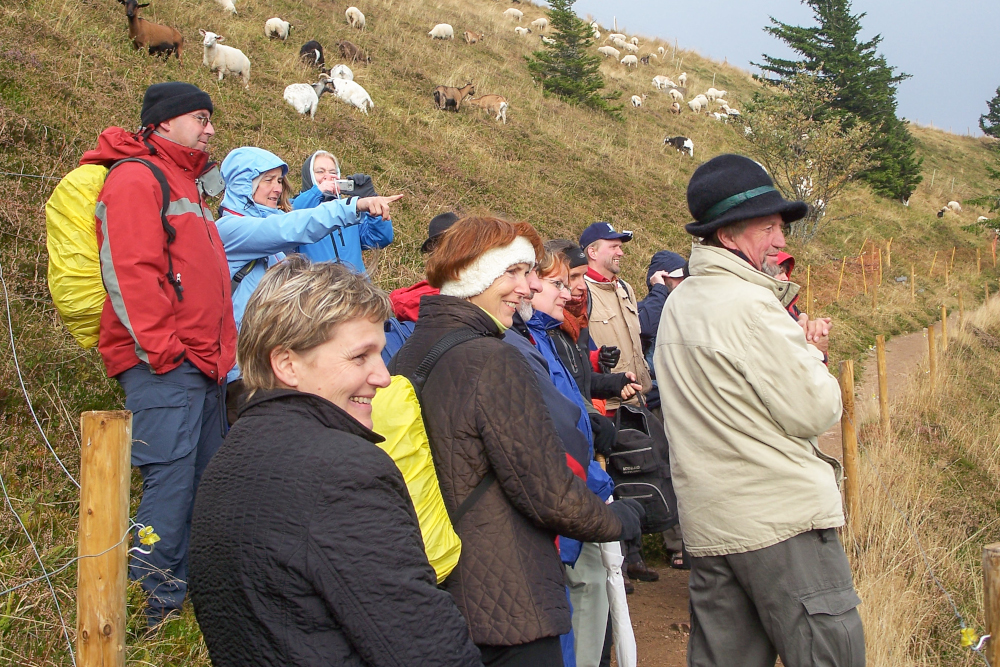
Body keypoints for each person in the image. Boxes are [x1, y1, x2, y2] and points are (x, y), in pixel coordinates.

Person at [188, 257, 482, 667]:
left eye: (380, 354)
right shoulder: (344, 472)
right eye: (360, 357)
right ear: (287, 363)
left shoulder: (227, 461)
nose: (382, 376)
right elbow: (425, 647)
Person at [390, 216, 644, 667]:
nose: (527, 288)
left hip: (443, 590)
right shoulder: (491, 358)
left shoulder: (414, 350)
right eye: (513, 273)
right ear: (473, 274)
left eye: (528, 274)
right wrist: (618, 520)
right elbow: (546, 491)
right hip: (509, 593)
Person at [654, 154, 862, 667]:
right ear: (727, 236)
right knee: (828, 654)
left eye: (782, 227)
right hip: (780, 523)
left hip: (710, 526)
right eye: (768, 226)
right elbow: (816, 410)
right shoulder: (749, 305)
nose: (781, 240)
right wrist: (813, 355)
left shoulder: (682, 302)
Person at [82, 81, 235, 627]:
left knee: (205, 480)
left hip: (203, 368)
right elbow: (131, 272)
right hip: (167, 368)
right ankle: (152, 606)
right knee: (169, 485)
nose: (210, 128)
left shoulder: (188, 185)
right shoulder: (135, 178)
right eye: (200, 117)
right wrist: (164, 353)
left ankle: (188, 590)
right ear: (164, 122)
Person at [213, 146, 401, 421]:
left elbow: (379, 238)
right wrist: (353, 205)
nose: (276, 188)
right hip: (243, 368)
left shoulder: (274, 225)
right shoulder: (231, 229)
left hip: (273, 361)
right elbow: (291, 226)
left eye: (279, 180)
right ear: (243, 183)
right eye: (267, 180)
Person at [512, 248, 620, 667]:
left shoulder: (546, 336)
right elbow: (553, 429)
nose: (568, 293)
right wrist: (598, 489)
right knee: (583, 594)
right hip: (567, 496)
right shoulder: (522, 342)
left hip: (579, 489)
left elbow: (570, 403)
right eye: (558, 283)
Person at [580, 222, 653, 413]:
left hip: (638, 399)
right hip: (608, 406)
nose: (620, 253)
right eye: (613, 247)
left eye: (620, 247)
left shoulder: (626, 288)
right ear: (593, 253)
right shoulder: (580, 292)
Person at [292, 150, 394, 273]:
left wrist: (372, 202)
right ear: (309, 176)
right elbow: (292, 219)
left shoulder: (349, 211)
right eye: (320, 171)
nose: (327, 176)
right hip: (316, 289)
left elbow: (379, 239)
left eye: (333, 172)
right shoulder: (294, 207)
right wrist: (318, 192)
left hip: (354, 288)